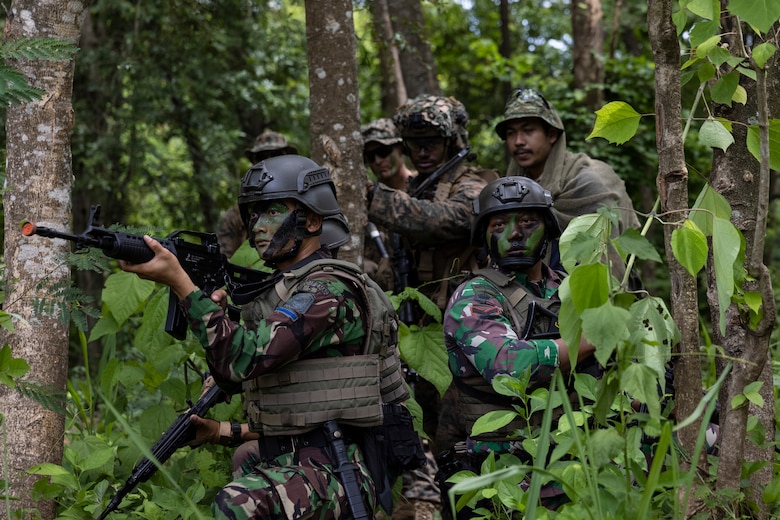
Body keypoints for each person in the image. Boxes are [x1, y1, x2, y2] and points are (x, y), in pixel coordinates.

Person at [121, 155, 420, 519]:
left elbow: (240, 362)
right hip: (315, 451)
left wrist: (182, 284)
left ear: (311, 220)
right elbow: (300, 408)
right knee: (246, 457)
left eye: (272, 212)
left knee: (238, 503)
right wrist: (220, 431)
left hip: (346, 467)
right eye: (254, 215)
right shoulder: (288, 291)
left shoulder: (326, 291)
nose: (258, 226)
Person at [437, 176, 602, 518]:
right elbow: (507, 366)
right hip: (502, 472)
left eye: (528, 222)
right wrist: (586, 342)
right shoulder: (474, 296)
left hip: (574, 462)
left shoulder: (573, 290)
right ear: (484, 236)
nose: (513, 234)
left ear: (549, 229)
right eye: (499, 224)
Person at [367, 94, 499, 455]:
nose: (422, 151)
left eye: (432, 143)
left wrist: (373, 198)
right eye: (414, 144)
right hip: (417, 330)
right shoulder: (417, 188)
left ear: (451, 141)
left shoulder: (469, 183)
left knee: (457, 437)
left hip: (465, 328)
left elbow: (447, 220)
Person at [497, 88, 639, 234]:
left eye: (528, 131)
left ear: (551, 135)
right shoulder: (511, 189)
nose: (518, 141)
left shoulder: (585, 183)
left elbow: (605, 248)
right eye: (511, 133)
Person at [216, 130, 298, 258]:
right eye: (262, 157)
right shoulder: (235, 217)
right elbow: (224, 260)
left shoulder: (304, 203)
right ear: (254, 162)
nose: (269, 161)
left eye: (276, 155)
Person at [361, 117, 415, 292]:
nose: (377, 161)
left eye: (383, 151)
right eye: (370, 156)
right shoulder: (363, 199)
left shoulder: (422, 190)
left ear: (400, 149)